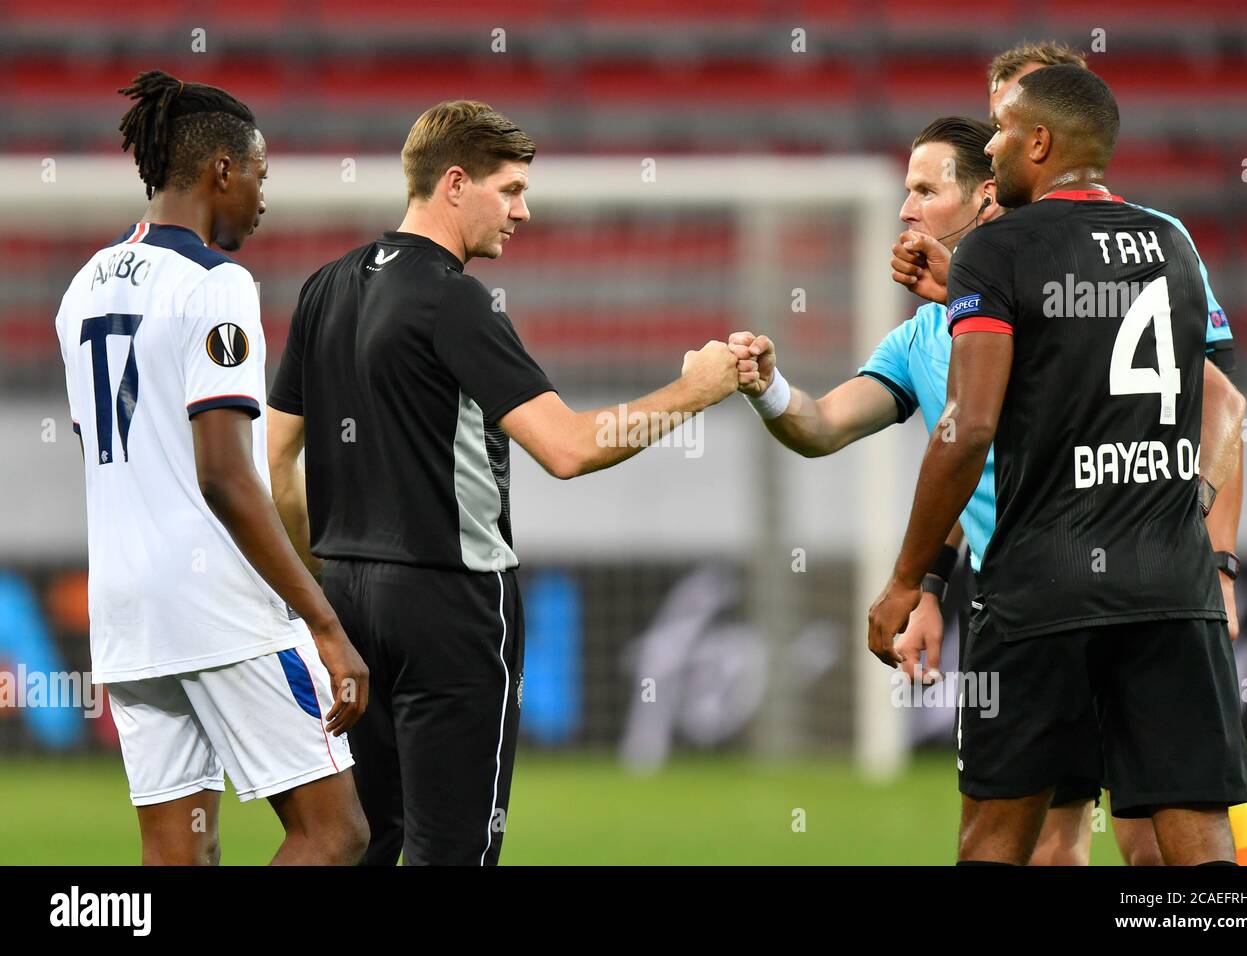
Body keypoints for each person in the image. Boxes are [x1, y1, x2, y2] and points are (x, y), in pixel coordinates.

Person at [267, 100, 740, 865]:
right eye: (510, 188)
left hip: (346, 601)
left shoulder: (327, 287)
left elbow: (275, 460)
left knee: (369, 844)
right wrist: (698, 390)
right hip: (449, 606)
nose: (524, 210)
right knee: (452, 852)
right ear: (455, 183)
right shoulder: (454, 300)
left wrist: (322, 583)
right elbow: (570, 447)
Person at [865, 64, 1247, 864]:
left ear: (1038, 143)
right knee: (1197, 841)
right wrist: (1195, 521)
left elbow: (967, 426)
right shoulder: (1174, 241)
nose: (994, 146)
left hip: (1042, 587)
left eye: (1002, 131)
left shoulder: (998, 249)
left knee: (1000, 843)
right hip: (1169, 585)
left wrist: (909, 579)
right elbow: (1224, 405)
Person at [54, 71, 369, 865]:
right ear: (222, 169)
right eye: (260, 174)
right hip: (218, 604)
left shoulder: (80, 291)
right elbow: (224, 476)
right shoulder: (215, 284)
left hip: (127, 611)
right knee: (335, 835)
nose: (263, 198)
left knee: (177, 856)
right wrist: (325, 625)